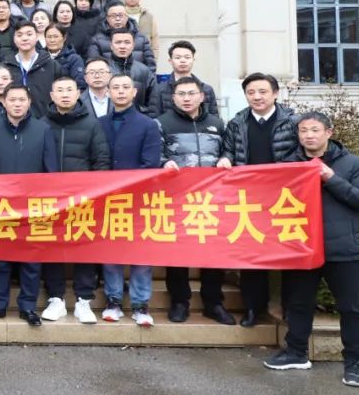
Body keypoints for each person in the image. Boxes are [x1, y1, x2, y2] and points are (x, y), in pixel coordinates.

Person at [263, 111, 359, 387]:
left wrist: (330, 177)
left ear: (328, 132)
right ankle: (296, 352)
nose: (308, 136)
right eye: (303, 131)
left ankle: (354, 362)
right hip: (301, 248)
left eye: (314, 130)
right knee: (299, 304)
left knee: (350, 308)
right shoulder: (289, 165)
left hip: (342, 249)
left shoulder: (351, 163)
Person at [218, 72, 300, 327]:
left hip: (284, 198)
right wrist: (225, 159)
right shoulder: (237, 122)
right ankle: (254, 308)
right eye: (251, 92)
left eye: (263, 92)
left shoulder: (293, 121)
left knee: (288, 253)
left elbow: (301, 153)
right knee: (252, 254)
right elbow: (228, 150)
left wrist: (277, 173)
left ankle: (289, 308)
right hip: (249, 198)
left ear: (275, 93)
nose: (257, 97)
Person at [158, 76, 235, 326]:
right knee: (177, 251)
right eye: (181, 94)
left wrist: (226, 157)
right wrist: (163, 163)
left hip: (211, 198)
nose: (187, 98)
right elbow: (154, 154)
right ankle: (179, 301)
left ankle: (213, 302)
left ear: (202, 96)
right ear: (173, 98)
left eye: (192, 93)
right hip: (176, 197)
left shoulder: (216, 123)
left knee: (213, 250)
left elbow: (229, 148)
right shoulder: (162, 123)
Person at [0, 84, 58, 326]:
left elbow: (51, 170)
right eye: (12, 100)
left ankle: (28, 307)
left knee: (31, 260)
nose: (17, 104)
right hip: (1, 205)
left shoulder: (42, 130)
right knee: (0, 259)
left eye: (21, 100)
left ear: (29, 102)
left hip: (33, 205)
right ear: (3, 102)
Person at [41, 75, 110, 324]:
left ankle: (84, 300)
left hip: (83, 198)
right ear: (52, 95)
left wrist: (94, 191)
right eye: (59, 90)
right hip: (50, 199)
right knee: (51, 246)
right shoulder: (42, 124)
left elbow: (101, 160)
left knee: (84, 246)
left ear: (78, 93)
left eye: (69, 89)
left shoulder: (91, 124)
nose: (64, 94)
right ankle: (56, 299)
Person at [98, 74, 161, 327]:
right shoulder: (99, 123)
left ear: (134, 92)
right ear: (108, 92)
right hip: (106, 199)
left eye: (126, 87)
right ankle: (113, 300)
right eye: (115, 87)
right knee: (110, 251)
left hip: (139, 198)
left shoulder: (148, 124)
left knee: (140, 252)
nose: (121, 91)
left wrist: (124, 186)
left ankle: (140, 304)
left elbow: (151, 163)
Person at [0, 21, 59, 118]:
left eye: (29, 34)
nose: (24, 38)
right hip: (12, 121)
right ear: (14, 39)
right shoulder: (5, 67)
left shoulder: (52, 65)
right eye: (19, 35)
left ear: (37, 37)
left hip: (45, 121)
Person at [149, 40, 218, 117]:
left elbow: (214, 119)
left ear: (193, 60)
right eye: (178, 57)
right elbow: (154, 119)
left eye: (187, 57)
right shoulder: (159, 89)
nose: (183, 60)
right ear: (170, 61)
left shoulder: (206, 89)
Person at [87, 4, 156, 68]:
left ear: (127, 17)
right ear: (107, 19)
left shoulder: (141, 38)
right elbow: (94, 65)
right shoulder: (97, 40)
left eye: (120, 15)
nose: (117, 19)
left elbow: (150, 65)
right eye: (113, 16)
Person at [105, 30, 156, 114]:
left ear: (133, 45)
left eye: (127, 42)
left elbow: (153, 100)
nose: (122, 46)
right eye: (118, 42)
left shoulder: (144, 70)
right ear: (111, 45)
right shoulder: (104, 70)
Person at [123, 0, 159, 65]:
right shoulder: (119, 15)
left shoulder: (148, 16)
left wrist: (154, 60)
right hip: (123, 58)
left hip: (144, 59)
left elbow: (154, 39)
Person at [45, 24, 84, 88]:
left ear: (64, 38)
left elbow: (79, 84)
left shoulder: (74, 59)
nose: (52, 40)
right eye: (49, 37)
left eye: (56, 36)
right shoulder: (39, 57)